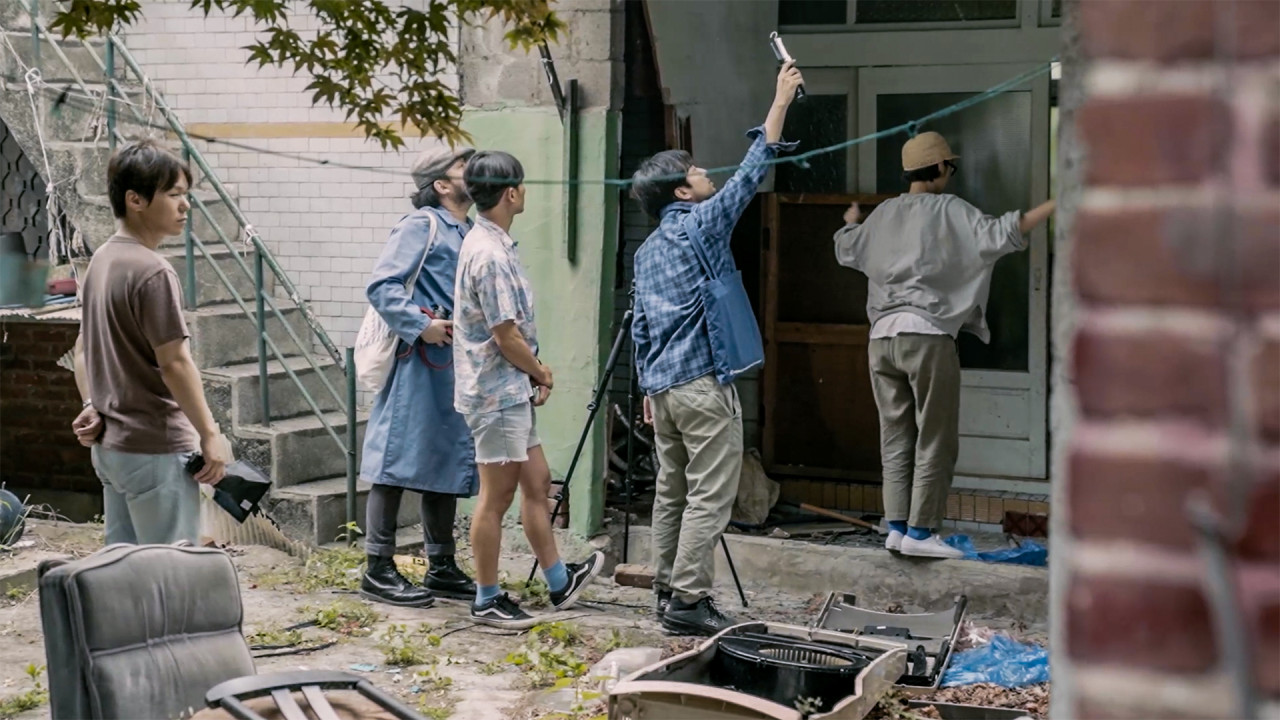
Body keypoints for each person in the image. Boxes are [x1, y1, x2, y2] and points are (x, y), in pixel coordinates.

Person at [628, 61, 804, 636]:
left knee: (671, 492)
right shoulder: (700, 225)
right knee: (709, 495)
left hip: (665, 392)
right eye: (696, 171)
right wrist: (780, 100)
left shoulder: (646, 251)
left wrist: (648, 387)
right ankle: (689, 599)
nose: (706, 174)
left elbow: (642, 327)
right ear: (682, 192)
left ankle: (665, 590)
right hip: (703, 386)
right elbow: (753, 171)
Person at [832, 131, 1055, 559]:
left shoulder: (884, 213)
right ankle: (921, 532)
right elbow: (1003, 233)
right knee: (935, 437)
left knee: (895, 437)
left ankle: (897, 528)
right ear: (938, 169)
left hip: (881, 339)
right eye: (949, 167)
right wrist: (1055, 204)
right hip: (927, 335)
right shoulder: (950, 209)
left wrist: (850, 221)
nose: (950, 174)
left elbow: (847, 247)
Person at [452, 150, 604, 629]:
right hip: (495, 394)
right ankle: (487, 597)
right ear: (511, 193)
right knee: (495, 498)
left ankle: (559, 580)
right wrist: (540, 371)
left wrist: (531, 373)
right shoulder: (490, 254)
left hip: (509, 389)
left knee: (537, 481)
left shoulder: (493, 242)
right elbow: (506, 335)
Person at [70, 139, 231, 545]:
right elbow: (175, 363)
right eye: (174, 194)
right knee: (168, 569)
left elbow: (82, 350)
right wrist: (209, 434)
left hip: (112, 449)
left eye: (186, 195)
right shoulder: (153, 271)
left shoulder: (101, 260)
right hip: (155, 449)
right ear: (135, 200)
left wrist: (91, 403)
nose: (185, 206)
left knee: (125, 567)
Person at [358, 145, 481, 607]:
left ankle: (441, 565)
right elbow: (382, 285)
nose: (473, 172)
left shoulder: (471, 230)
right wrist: (420, 326)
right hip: (419, 360)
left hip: (454, 362)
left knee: (444, 459)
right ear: (442, 185)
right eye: (463, 167)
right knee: (393, 460)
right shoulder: (421, 225)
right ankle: (378, 567)